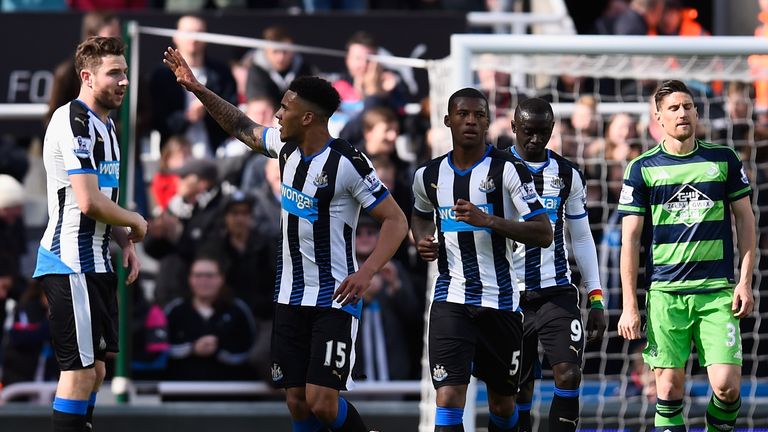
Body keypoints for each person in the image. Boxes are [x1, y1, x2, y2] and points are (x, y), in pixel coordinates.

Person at [163, 48, 409, 431]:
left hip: (334, 298)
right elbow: (241, 125)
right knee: (296, 402)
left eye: (285, 107)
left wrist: (368, 272)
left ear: (308, 117)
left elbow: (396, 220)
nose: (277, 114)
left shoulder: (348, 162)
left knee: (323, 402)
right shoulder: (286, 147)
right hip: (290, 296)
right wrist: (196, 88)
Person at [410, 87, 553, 432]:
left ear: (488, 122)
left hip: (500, 302)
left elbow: (544, 232)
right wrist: (421, 240)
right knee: (447, 398)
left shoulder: (508, 170)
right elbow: (418, 214)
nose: (471, 121)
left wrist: (487, 220)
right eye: (463, 114)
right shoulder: (428, 176)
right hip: (451, 299)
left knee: (503, 405)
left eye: (479, 115)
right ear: (448, 120)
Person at [617, 80, 755, 432]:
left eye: (688, 106)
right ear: (658, 118)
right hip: (666, 294)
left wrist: (745, 282)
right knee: (668, 388)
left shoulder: (722, 158)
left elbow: (746, 221)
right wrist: (630, 305)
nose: (683, 113)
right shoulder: (641, 168)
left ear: (696, 112)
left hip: (717, 292)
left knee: (726, 387)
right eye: (674, 108)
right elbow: (630, 240)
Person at [33, 36, 147, 432]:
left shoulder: (109, 127)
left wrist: (124, 241)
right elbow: (87, 200)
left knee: (96, 372)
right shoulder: (73, 119)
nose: (124, 81)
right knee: (79, 373)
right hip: (69, 261)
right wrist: (135, 219)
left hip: (96, 260)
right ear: (87, 76)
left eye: (125, 73)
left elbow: (104, 198)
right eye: (115, 73)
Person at [505, 97, 606, 432]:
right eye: (528, 132)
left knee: (569, 373)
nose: (535, 140)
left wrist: (595, 297)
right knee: (516, 389)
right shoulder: (493, 169)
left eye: (543, 133)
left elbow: (581, 238)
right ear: (514, 128)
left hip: (555, 293)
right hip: (507, 295)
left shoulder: (566, 174)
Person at [150, 15, 237, 157]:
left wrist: (210, 108)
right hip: (174, 158)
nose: (194, 38)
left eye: (199, 32)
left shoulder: (221, 74)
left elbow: (233, 116)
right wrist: (188, 117)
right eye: (188, 32)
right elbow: (158, 120)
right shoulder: (162, 75)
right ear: (176, 36)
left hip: (215, 155)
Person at [164, 254, 257, 381]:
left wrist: (219, 350)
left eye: (209, 275)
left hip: (230, 389)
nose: (203, 281)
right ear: (190, 279)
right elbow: (162, 348)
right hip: (182, 389)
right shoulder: (175, 310)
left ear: (221, 278)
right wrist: (192, 348)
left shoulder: (238, 310)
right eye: (198, 275)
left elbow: (249, 350)